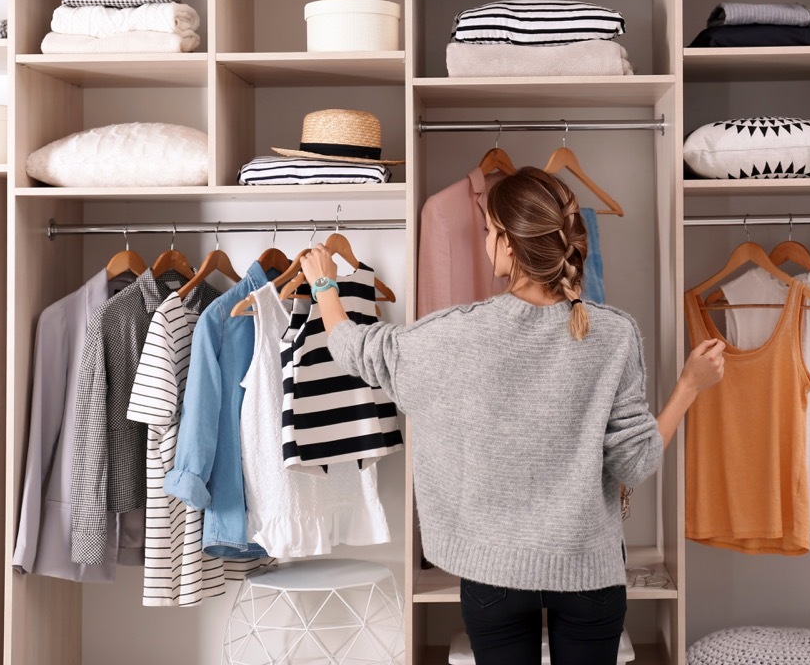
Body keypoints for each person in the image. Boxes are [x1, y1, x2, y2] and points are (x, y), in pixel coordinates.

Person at [299, 166, 725, 665]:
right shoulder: (614, 335)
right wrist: (689, 387)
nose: (484, 242)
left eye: (487, 232)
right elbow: (634, 464)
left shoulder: (456, 333)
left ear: (507, 243)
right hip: (589, 572)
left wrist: (325, 283)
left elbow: (357, 351)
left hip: (492, 574)